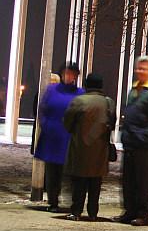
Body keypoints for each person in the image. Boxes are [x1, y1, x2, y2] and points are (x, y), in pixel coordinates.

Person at [114, 56, 148, 226]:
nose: (139, 71)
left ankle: (143, 213)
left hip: (145, 145)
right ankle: (129, 211)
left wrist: (144, 135)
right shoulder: (135, 87)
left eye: (143, 69)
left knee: (143, 181)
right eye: (138, 68)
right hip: (131, 142)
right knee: (128, 180)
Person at [62, 73, 116, 221]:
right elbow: (112, 124)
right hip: (100, 150)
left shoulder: (79, 101)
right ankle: (93, 213)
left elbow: (67, 124)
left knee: (79, 182)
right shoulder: (108, 102)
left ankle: (76, 211)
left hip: (80, 148)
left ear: (86, 85)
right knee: (95, 183)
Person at [34, 62, 84, 212]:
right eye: (66, 73)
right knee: (52, 171)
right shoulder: (52, 89)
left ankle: (71, 202)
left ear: (76, 76)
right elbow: (42, 108)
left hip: (69, 137)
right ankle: (53, 201)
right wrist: (45, 124)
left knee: (69, 170)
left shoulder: (80, 93)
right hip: (52, 136)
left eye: (72, 74)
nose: (68, 76)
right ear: (62, 74)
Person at [31, 74, 61, 155]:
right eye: (50, 82)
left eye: (54, 82)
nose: (52, 84)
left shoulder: (59, 95)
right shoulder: (40, 93)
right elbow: (36, 109)